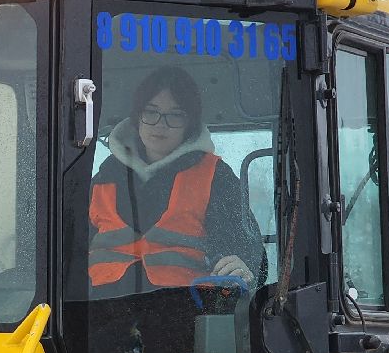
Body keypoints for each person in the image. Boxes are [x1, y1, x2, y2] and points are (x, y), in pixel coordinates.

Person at [88, 66, 265, 298]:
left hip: (184, 315)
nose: (160, 124)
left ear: (189, 123)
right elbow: (67, 253)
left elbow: (247, 252)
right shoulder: (103, 178)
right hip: (98, 314)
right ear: (137, 117)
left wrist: (243, 266)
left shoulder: (215, 177)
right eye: (151, 112)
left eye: (175, 115)